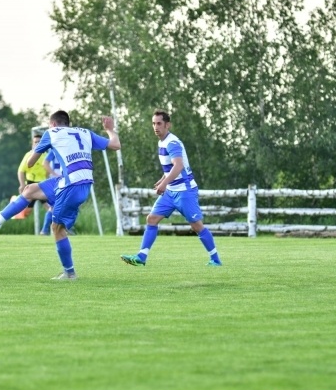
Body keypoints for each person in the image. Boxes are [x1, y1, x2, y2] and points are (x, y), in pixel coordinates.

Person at [120, 110, 222, 268]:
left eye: (159, 123)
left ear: (168, 125)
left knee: (196, 226)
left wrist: (164, 183)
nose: (155, 127)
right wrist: (163, 180)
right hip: (171, 192)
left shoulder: (172, 142)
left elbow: (179, 165)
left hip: (185, 191)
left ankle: (215, 260)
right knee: (151, 219)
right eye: (153, 123)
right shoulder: (161, 142)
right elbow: (170, 168)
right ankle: (141, 257)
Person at [29, 110, 120, 280]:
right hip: (85, 185)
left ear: (53, 124)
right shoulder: (84, 132)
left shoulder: (52, 134)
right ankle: (69, 272)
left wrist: (40, 148)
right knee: (56, 223)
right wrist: (110, 129)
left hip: (69, 184)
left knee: (56, 228)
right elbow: (115, 145)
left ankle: (70, 273)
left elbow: (31, 163)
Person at [40, 148, 63, 235]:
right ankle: (45, 230)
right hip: (57, 182)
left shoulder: (69, 148)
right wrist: (54, 174)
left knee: (63, 206)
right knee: (54, 206)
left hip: (66, 182)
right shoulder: (55, 150)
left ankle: (47, 230)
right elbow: (45, 163)